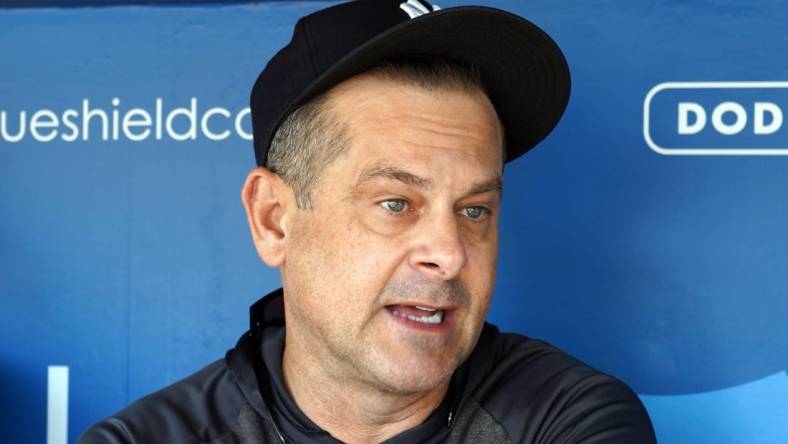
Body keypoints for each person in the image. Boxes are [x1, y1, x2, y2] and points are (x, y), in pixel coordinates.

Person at [80, 0, 656, 442]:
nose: (450, 253)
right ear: (274, 220)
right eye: (396, 203)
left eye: (474, 210)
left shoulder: (568, 419)